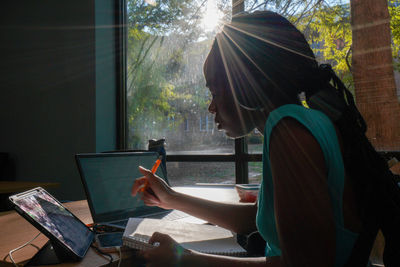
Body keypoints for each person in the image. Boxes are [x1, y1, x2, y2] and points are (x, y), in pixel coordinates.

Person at [131, 10, 386, 267]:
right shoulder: (305, 122)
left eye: (214, 91)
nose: (211, 106)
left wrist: (183, 260)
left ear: (243, 83)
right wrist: (171, 198)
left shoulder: (288, 130)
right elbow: (260, 217)